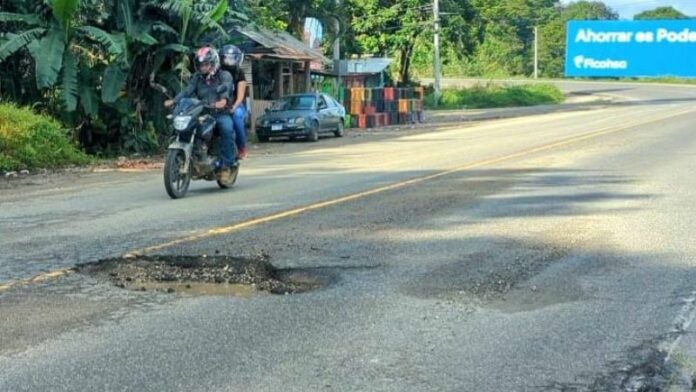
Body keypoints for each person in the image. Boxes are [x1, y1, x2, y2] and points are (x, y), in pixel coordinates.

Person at [164, 46, 237, 179]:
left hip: (220, 112)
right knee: (187, 127)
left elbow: (226, 89)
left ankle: (227, 165)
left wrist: (223, 101)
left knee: (226, 128)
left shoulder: (224, 75)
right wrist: (174, 101)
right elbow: (187, 91)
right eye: (200, 65)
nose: (202, 67)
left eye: (206, 64)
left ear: (213, 62)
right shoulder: (197, 78)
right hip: (201, 112)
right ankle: (194, 155)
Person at [219, 44, 248, 159]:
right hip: (218, 104)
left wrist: (234, 106)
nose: (228, 61)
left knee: (236, 118)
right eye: (226, 58)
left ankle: (242, 147)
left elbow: (240, 95)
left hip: (236, 104)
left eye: (231, 58)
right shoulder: (217, 72)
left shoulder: (239, 73)